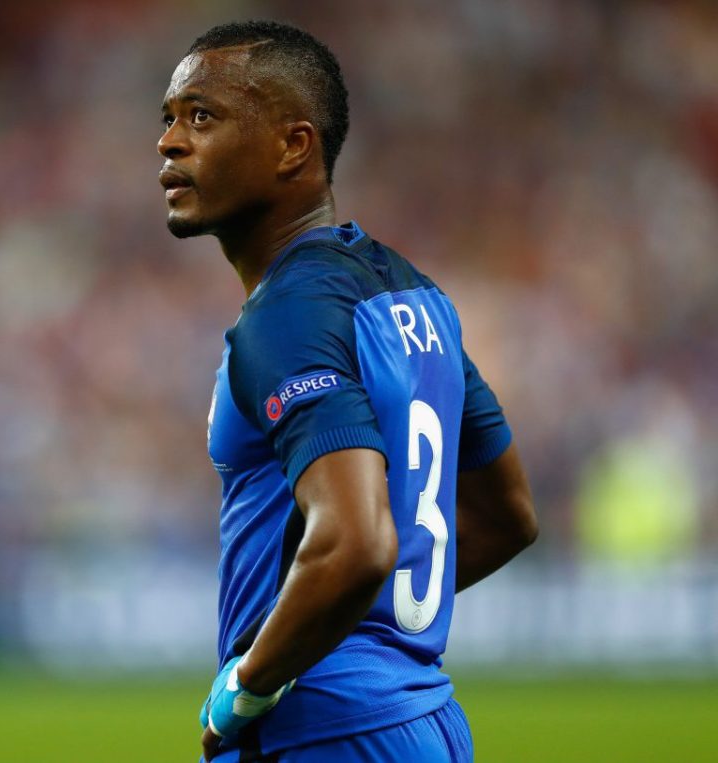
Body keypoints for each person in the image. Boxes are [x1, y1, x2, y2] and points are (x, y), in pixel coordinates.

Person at [158, 20, 538, 763]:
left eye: (203, 116)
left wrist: (249, 685)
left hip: (324, 730)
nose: (170, 142)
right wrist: (353, 623)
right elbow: (507, 513)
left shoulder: (288, 316)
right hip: (426, 722)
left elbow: (355, 541)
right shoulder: (412, 292)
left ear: (294, 145)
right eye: (168, 119)